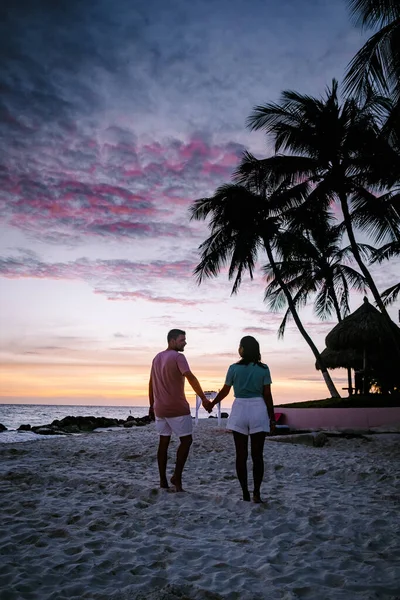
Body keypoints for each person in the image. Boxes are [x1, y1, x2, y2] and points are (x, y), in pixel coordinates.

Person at [209, 336, 276, 503]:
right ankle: (257, 493)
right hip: (258, 408)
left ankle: (245, 492)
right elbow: (267, 395)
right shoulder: (264, 368)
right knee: (257, 456)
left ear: (242, 349)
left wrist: (212, 403)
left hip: (239, 409)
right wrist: (272, 418)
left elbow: (225, 391)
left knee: (241, 455)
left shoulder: (233, 368)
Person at [148, 329, 212, 492]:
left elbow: (151, 383)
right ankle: (177, 477)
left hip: (160, 409)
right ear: (172, 341)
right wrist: (204, 398)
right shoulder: (178, 357)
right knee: (186, 441)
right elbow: (189, 376)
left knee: (163, 443)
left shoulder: (156, 358)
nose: (185, 342)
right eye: (182, 340)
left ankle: (163, 480)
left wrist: (151, 405)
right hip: (177, 408)